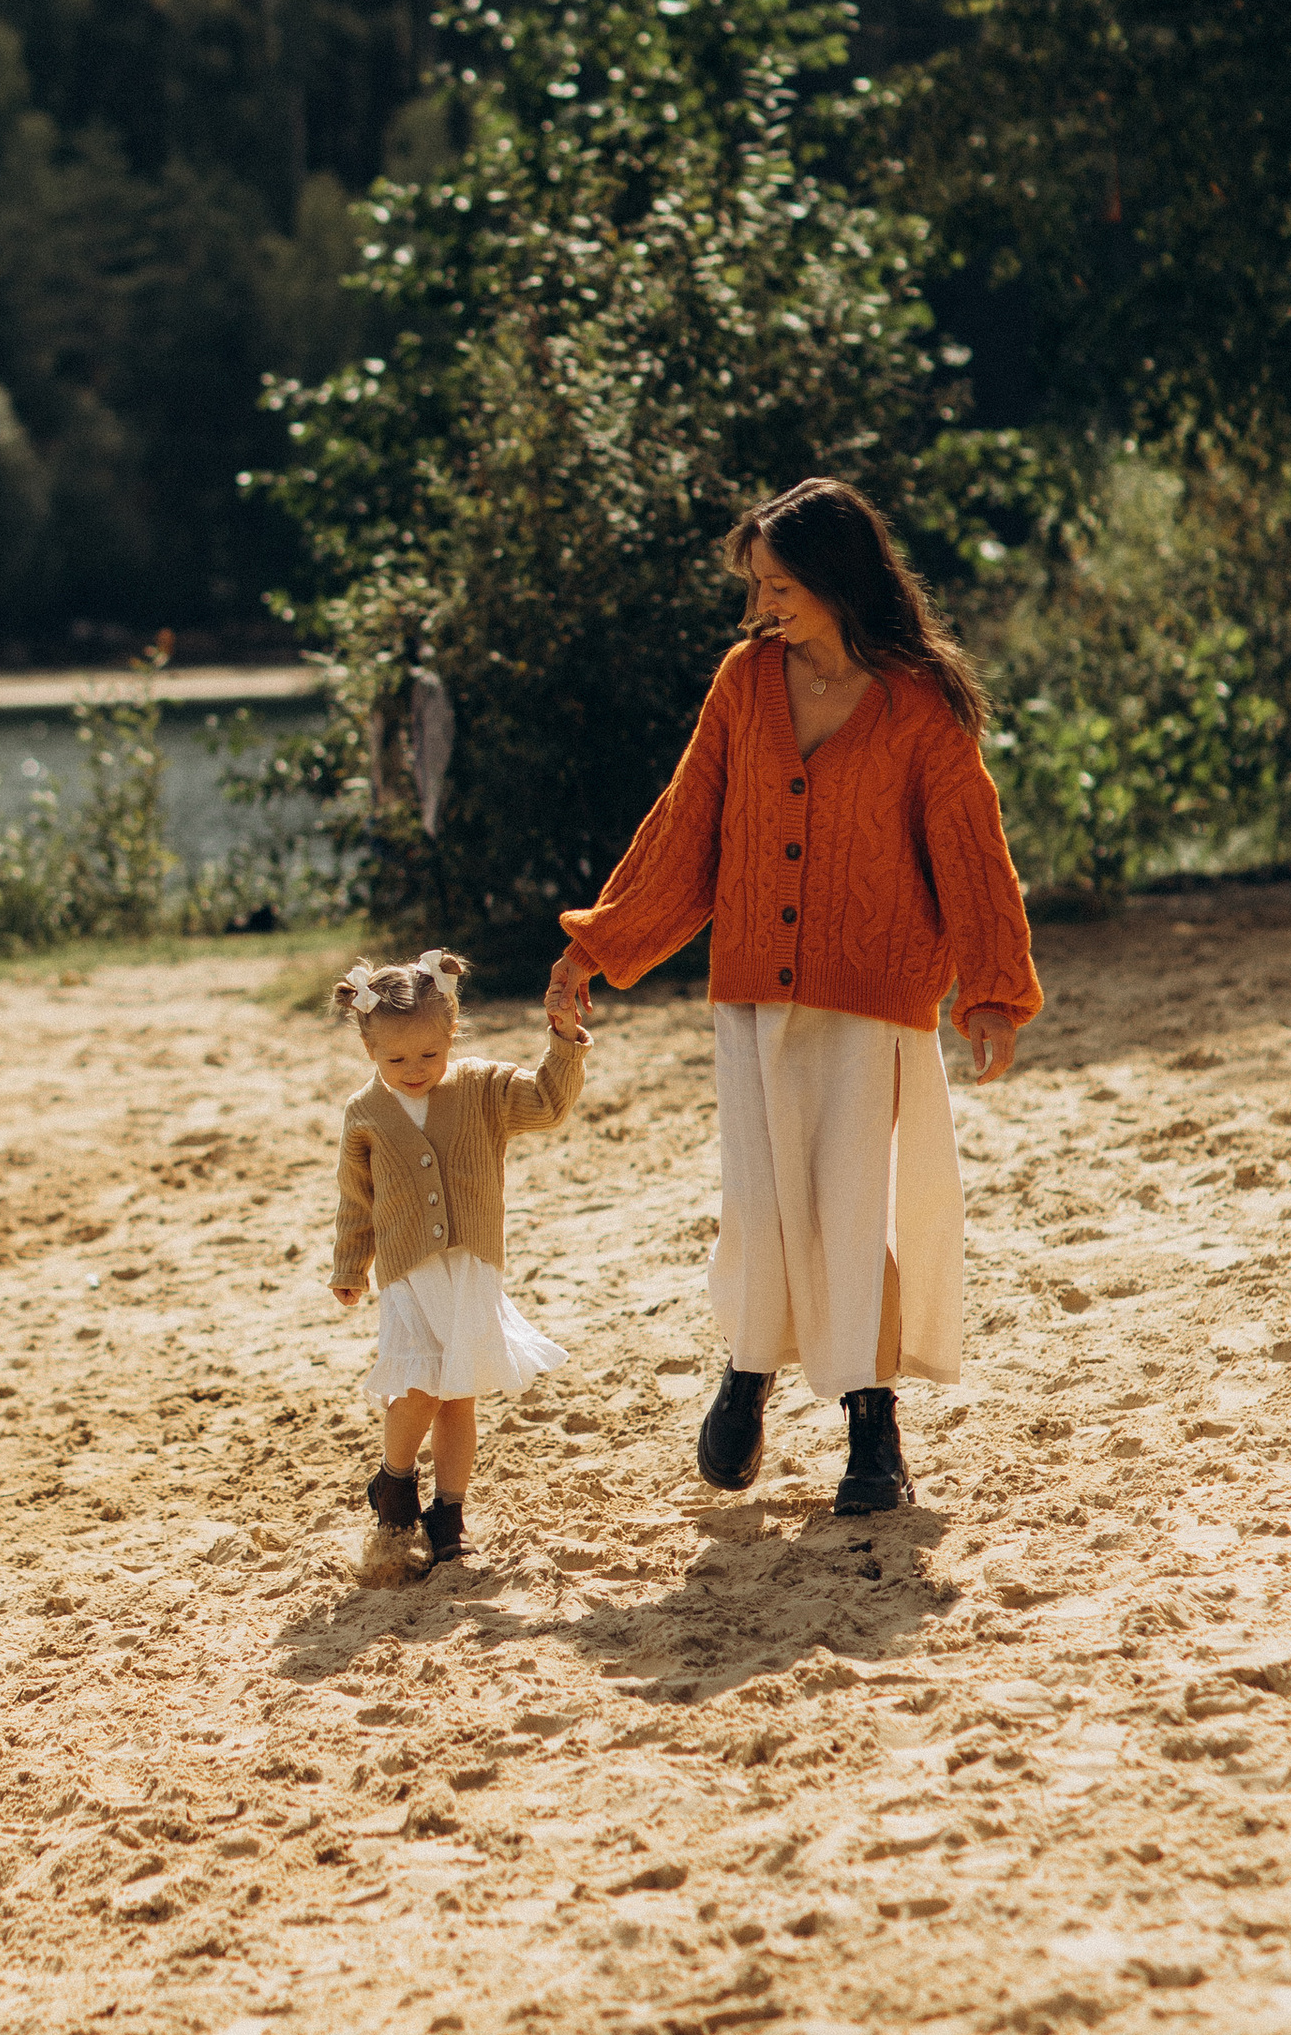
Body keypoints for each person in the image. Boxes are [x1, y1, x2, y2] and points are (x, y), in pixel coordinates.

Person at [546, 476, 1039, 1515]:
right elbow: (687, 827)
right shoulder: (743, 681)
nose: (762, 604)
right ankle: (748, 1370)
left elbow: (970, 850)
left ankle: (872, 1432)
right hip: (753, 996)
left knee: (854, 1212)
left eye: (780, 585)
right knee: (760, 1206)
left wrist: (991, 989)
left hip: (874, 996)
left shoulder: (920, 701)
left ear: (837, 579)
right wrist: (596, 945)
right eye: (758, 585)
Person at [330, 948, 586, 1574]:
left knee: (459, 1398)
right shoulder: (364, 1115)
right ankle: (394, 1479)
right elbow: (355, 1201)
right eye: (395, 1059)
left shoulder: (480, 1087)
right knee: (419, 1388)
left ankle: (449, 1513)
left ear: (452, 1033)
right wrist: (349, 1265)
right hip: (408, 1275)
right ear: (369, 1050)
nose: (414, 1070)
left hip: (471, 1268)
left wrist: (562, 1038)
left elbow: (549, 1102)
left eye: (429, 1054)